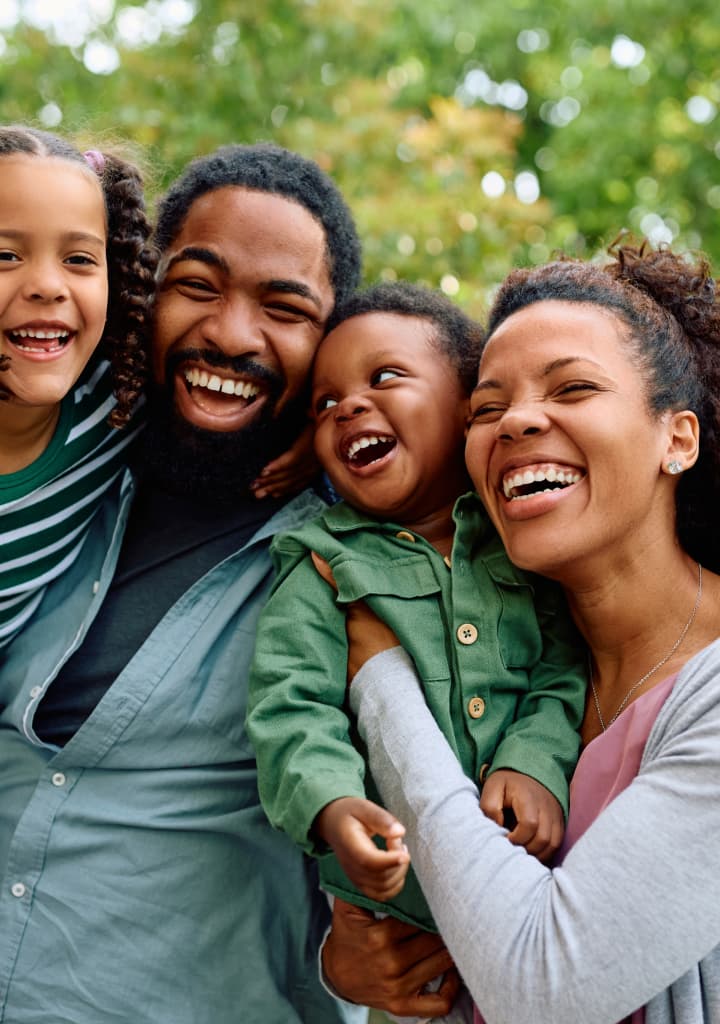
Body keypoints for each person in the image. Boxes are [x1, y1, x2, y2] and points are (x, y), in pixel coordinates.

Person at [0, 142, 366, 1024]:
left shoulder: (357, 561)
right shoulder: (79, 448)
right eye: (196, 285)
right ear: (142, 293)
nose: (231, 335)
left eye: (284, 308)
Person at [321, 242, 720, 1024]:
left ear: (678, 439)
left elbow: (545, 989)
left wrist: (381, 681)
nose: (517, 422)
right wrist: (349, 963)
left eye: (572, 387)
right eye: (486, 407)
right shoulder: (496, 653)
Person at [247, 283, 585, 946]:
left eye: (386, 376)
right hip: (406, 918)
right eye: (324, 404)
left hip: (542, 883)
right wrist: (332, 804)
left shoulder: (520, 538)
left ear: (469, 408)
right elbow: (292, 702)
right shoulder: (318, 561)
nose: (348, 406)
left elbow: (566, 664)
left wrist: (536, 758)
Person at [0, 124, 155, 647]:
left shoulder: (119, 400)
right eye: (5, 256)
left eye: (80, 260)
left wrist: (303, 441)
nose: (48, 286)